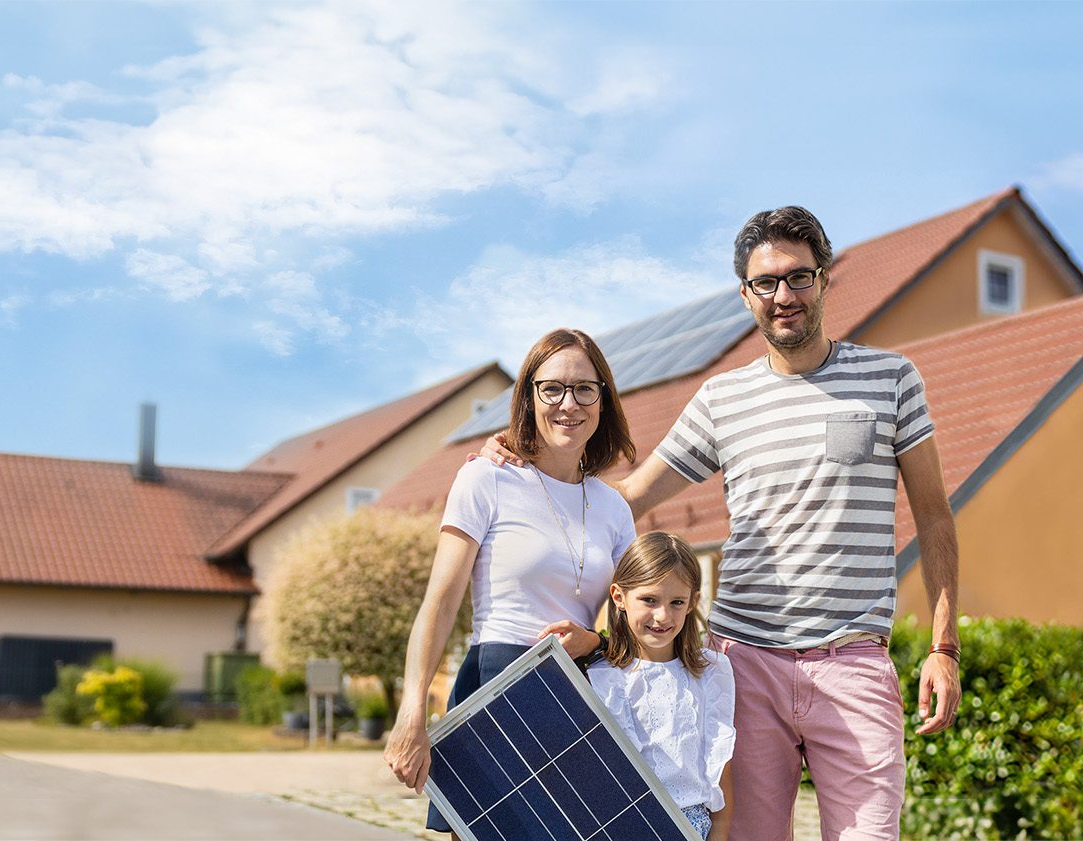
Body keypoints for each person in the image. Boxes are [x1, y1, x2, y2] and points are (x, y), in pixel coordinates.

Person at [482, 206, 961, 840]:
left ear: (824, 280)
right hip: (744, 667)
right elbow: (627, 498)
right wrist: (529, 460)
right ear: (745, 294)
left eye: (798, 277)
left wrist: (943, 647)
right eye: (766, 282)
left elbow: (934, 516)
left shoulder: (892, 378)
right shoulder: (722, 398)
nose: (783, 296)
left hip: (854, 662)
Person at [384, 328, 638, 836]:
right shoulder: (486, 478)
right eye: (552, 388)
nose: (569, 403)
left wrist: (597, 642)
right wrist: (412, 711)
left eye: (586, 388)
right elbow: (439, 603)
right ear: (529, 397)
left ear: (604, 399)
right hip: (493, 685)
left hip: (578, 690)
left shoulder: (614, 508)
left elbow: (636, 622)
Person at [589, 531, 734, 841]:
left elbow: (719, 763)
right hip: (623, 827)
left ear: (693, 601)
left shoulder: (711, 672)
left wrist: (719, 832)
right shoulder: (601, 677)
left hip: (691, 825)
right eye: (649, 600)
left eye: (676, 602)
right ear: (619, 597)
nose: (663, 615)